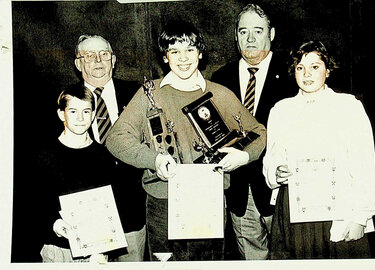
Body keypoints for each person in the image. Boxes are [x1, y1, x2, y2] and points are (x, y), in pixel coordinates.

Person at [106, 20, 267, 261]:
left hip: (209, 199)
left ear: (200, 53)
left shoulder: (220, 94)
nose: (183, 58)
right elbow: (116, 138)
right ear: (164, 57)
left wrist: (242, 156)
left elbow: (259, 133)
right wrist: (154, 159)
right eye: (174, 51)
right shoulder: (150, 93)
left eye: (190, 50)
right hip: (163, 202)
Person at [262, 40, 375, 259]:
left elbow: (364, 165)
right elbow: (272, 159)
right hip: (294, 211)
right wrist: (277, 171)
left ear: (327, 70)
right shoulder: (281, 110)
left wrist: (360, 217)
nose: (306, 74)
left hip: (340, 211)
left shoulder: (349, 106)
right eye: (300, 68)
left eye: (314, 67)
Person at [211, 3, 296, 260]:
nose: (250, 38)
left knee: (290, 258)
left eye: (258, 31)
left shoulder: (294, 72)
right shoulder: (219, 77)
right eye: (243, 31)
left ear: (271, 34)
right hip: (238, 192)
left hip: (281, 188)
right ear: (235, 36)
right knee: (251, 259)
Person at [74, 34, 146, 261]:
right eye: (89, 55)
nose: (97, 61)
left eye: (104, 54)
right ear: (78, 63)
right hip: (86, 209)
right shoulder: (66, 100)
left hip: (132, 209)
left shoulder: (139, 93)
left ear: (113, 60)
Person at [36, 85, 116, 262]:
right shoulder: (44, 156)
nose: (80, 118)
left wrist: (103, 247)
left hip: (97, 251)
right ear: (60, 114)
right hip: (58, 250)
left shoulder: (104, 156)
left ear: (93, 114)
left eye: (86, 111)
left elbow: (110, 206)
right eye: (73, 111)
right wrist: (55, 224)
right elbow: (34, 203)